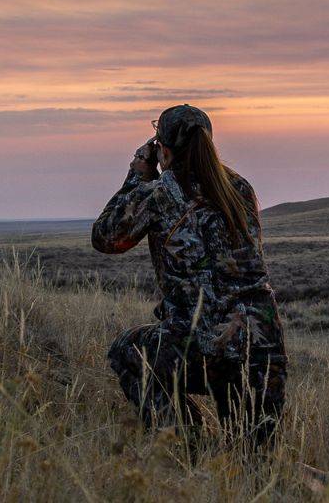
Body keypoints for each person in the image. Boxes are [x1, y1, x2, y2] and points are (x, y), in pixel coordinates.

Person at [94, 104, 287, 450]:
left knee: (126, 350)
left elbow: (106, 238)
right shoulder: (239, 188)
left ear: (163, 150)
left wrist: (137, 176)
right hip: (263, 347)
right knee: (254, 462)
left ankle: (188, 445)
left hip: (201, 346)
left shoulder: (159, 193)